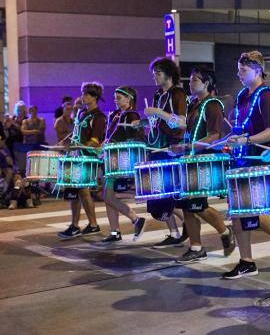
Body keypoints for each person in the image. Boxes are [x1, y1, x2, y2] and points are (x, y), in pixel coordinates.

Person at [223, 51, 270, 279]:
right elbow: (241, 127)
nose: (239, 74)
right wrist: (233, 139)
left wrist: (246, 140)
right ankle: (246, 261)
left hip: (261, 161)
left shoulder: (267, 95)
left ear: (257, 70)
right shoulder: (243, 95)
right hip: (242, 160)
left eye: (243, 70)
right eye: (239, 70)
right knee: (238, 211)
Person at [170, 68, 235, 262]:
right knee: (188, 205)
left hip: (204, 160)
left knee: (197, 205)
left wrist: (190, 146)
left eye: (195, 80)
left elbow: (215, 135)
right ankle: (196, 247)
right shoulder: (193, 104)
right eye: (190, 80)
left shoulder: (212, 105)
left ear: (207, 83)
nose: (190, 83)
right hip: (192, 160)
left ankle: (225, 231)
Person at [137, 57, 188, 247]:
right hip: (157, 149)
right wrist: (142, 122)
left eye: (158, 73)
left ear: (169, 74)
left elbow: (181, 122)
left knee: (171, 196)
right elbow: (157, 122)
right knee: (159, 195)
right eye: (153, 74)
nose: (155, 77)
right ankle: (174, 233)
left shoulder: (178, 94)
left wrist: (157, 112)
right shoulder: (159, 95)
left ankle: (190, 223)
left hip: (172, 149)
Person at [97, 86, 147, 243]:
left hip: (120, 161)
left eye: (119, 97)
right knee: (108, 196)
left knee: (108, 196)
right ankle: (114, 232)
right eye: (115, 97)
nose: (115, 100)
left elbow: (134, 139)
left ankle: (136, 219)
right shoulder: (117, 115)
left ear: (129, 99)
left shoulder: (131, 115)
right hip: (113, 160)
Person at [57, 82, 107, 239]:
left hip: (88, 157)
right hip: (77, 156)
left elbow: (95, 141)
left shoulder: (99, 117)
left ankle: (89, 225)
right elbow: (77, 135)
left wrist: (79, 146)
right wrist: (67, 144)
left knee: (83, 191)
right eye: (82, 93)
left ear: (95, 97)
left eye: (86, 94)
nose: (82, 97)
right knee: (76, 191)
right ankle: (80, 225)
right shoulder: (82, 114)